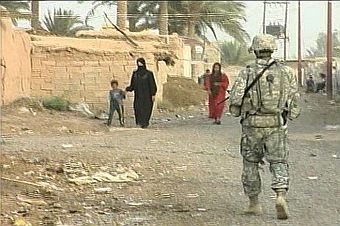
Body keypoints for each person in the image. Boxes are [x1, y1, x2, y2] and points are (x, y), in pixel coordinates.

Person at [229, 34, 300, 220]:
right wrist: (288, 115)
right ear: (272, 49)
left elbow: (235, 101)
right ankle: (280, 196)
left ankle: (254, 203)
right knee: (278, 161)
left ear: (254, 50)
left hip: (252, 125)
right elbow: (294, 102)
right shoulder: (287, 72)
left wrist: (238, 110)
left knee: (251, 163)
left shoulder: (247, 72)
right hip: (276, 124)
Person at [126, 58, 157, 128]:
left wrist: (153, 94)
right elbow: (132, 85)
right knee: (137, 108)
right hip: (138, 96)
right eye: (138, 63)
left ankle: (145, 123)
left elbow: (152, 85)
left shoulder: (149, 74)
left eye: (141, 63)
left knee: (147, 109)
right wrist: (127, 89)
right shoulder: (135, 74)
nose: (139, 65)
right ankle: (139, 123)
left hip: (147, 96)